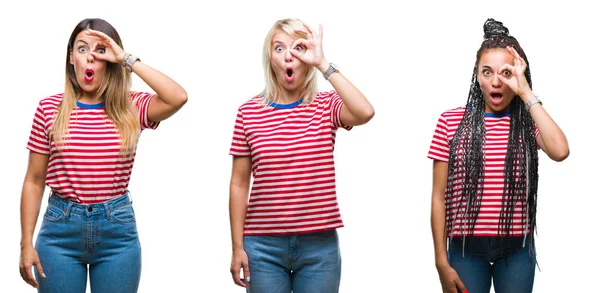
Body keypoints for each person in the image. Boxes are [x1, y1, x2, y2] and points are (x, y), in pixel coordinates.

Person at [18, 18, 187, 292]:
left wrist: (126, 58)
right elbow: (34, 179)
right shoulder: (50, 109)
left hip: (117, 234)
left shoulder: (130, 106)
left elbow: (177, 97)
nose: (90, 59)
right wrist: (26, 243)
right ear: (71, 57)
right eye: (82, 49)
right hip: (60, 232)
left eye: (99, 51)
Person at [228, 18, 374, 293]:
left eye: (297, 48)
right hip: (262, 247)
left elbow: (365, 112)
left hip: (319, 248)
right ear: (269, 57)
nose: (288, 57)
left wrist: (323, 64)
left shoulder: (326, 105)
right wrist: (237, 247)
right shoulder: (248, 112)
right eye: (279, 48)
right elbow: (238, 183)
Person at [428, 18, 569, 293]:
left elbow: (560, 151)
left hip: (516, 250)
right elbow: (438, 196)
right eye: (487, 72)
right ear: (476, 76)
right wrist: (440, 262)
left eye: (506, 73)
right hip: (465, 249)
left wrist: (526, 91)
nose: (496, 82)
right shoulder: (450, 122)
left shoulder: (529, 122)